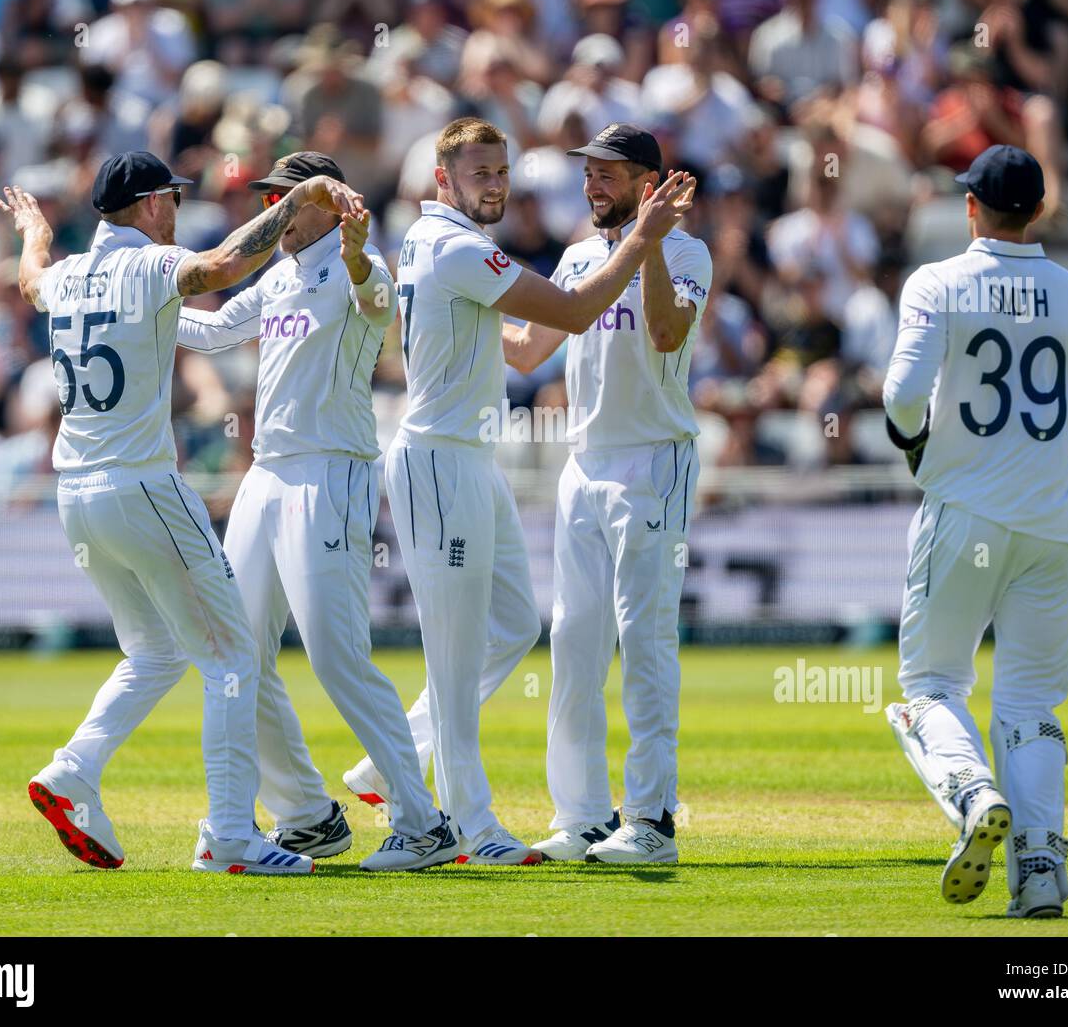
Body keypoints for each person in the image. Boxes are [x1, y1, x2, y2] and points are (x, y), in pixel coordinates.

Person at [0, 150, 364, 875]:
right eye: (171, 197)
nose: (178, 209)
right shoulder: (146, 266)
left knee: (159, 651)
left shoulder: (66, 273)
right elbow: (226, 266)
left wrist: (32, 230)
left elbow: (30, 278)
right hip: (141, 486)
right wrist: (302, 199)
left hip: (75, 496)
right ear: (149, 205)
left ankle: (73, 770)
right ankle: (230, 834)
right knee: (232, 656)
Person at [349, 117, 693, 864]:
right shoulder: (463, 245)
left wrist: (651, 242)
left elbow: (534, 341)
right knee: (466, 649)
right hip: (450, 459)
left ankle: (399, 758)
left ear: (646, 181)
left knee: (520, 627)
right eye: (480, 174)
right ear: (442, 180)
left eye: (502, 172)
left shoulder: (445, 245)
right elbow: (564, 317)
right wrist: (643, 238)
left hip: (560, 460)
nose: (497, 185)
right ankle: (465, 825)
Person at [882, 144, 1068, 918]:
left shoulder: (937, 281)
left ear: (972, 207)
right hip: (1055, 524)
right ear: (1036, 210)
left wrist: (916, 439)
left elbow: (902, 395)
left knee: (931, 686)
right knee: (1031, 702)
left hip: (964, 509)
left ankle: (971, 793)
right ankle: (1039, 868)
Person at [174, 152, 459, 872]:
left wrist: (361, 257)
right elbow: (209, 333)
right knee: (234, 654)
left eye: (283, 199)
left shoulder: (358, 263)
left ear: (325, 206)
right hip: (266, 475)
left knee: (336, 657)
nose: (271, 213)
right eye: (268, 198)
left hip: (330, 474)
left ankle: (423, 822)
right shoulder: (279, 273)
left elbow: (377, 304)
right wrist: (128, 306)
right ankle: (306, 813)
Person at [503, 123, 712, 862]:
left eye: (607, 174)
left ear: (646, 183)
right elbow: (529, 347)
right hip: (582, 464)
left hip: (653, 461)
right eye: (587, 173)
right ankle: (584, 815)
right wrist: (452, 312)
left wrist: (650, 241)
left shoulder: (687, 251)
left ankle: (652, 820)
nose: (591, 185)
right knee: (574, 644)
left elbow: (663, 332)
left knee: (646, 639)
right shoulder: (577, 255)